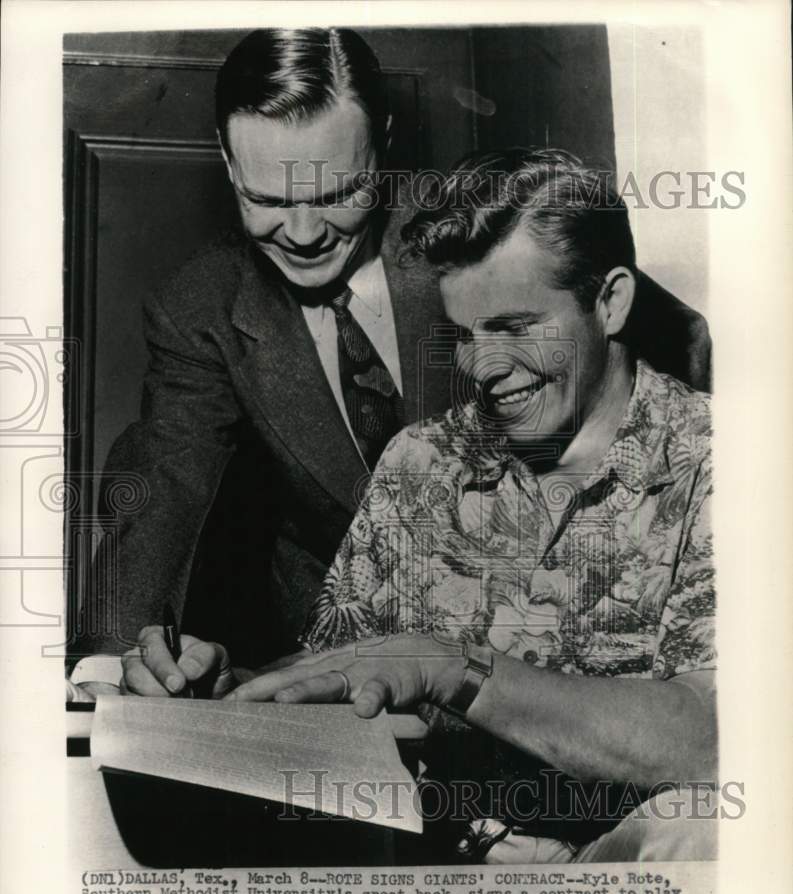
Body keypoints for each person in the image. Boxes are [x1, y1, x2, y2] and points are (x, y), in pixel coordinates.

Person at [123, 148, 717, 863]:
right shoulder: (420, 461)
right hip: (428, 878)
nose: (482, 369)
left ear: (610, 300)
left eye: (515, 327)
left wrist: (453, 666)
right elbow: (347, 692)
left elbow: (710, 739)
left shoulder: (723, 463)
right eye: (463, 336)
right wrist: (229, 690)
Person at [74, 28, 710, 678]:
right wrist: (109, 661)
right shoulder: (201, 305)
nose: (301, 235)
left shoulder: (468, 232)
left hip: (549, 645)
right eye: (265, 200)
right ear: (227, 162)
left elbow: (675, 347)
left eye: (335, 196)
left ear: (380, 142)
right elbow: (165, 478)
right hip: (339, 664)